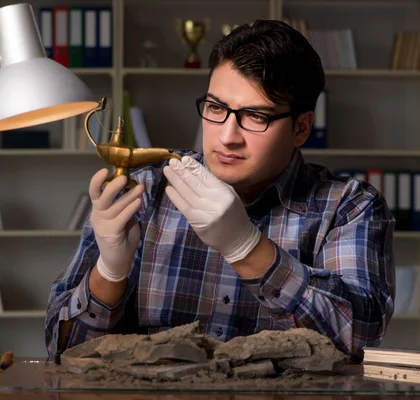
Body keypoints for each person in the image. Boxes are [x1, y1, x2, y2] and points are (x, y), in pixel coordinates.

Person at [45, 19, 395, 364]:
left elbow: (360, 338)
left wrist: (247, 248)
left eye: (256, 116)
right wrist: (109, 275)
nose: (227, 136)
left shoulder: (349, 206)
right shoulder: (146, 192)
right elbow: (60, 351)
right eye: (216, 108)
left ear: (301, 128)